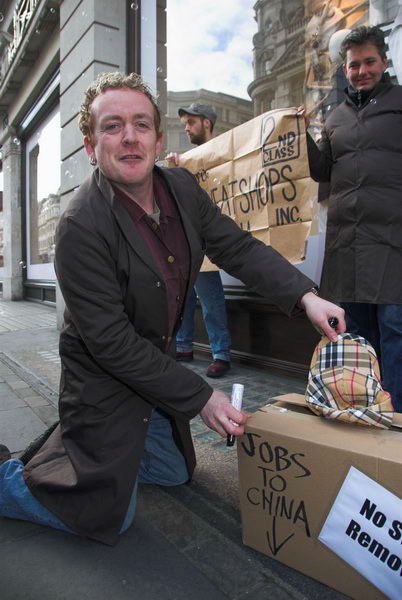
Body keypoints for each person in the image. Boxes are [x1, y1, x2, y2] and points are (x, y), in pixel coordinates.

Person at [0, 72, 345, 546]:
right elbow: (111, 343)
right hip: (104, 377)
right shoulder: (80, 225)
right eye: (112, 126)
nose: (129, 137)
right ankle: (15, 479)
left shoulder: (181, 187)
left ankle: (90, 451)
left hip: (155, 375)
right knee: (106, 513)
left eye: (141, 125)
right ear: (90, 145)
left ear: (158, 139)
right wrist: (202, 397)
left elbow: (237, 248)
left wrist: (306, 296)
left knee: (174, 473)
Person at [300, 25, 402, 412]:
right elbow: (321, 171)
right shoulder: (335, 117)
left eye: (369, 62)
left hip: (394, 242)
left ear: (384, 62)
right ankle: (363, 410)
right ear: (345, 68)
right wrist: (300, 134)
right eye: (354, 64)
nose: (361, 71)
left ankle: (396, 421)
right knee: (354, 335)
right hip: (348, 245)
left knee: (396, 334)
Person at [167, 103, 231, 378]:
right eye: (185, 123)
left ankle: (221, 353)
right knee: (184, 295)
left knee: (209, 297)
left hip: (209, 238)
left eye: (191, 122)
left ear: (207, 122)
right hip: (187, 237)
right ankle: (183, 346)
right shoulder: (188, 159)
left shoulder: (224, 151)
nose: (187, 128)